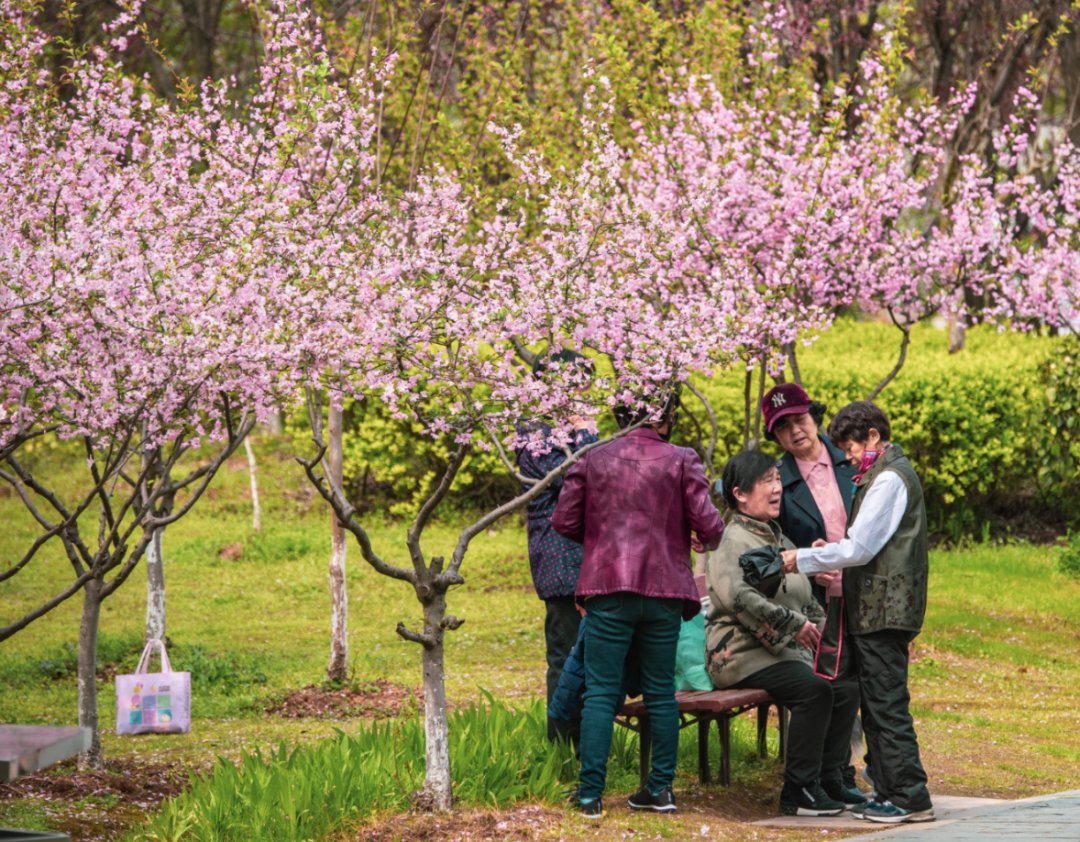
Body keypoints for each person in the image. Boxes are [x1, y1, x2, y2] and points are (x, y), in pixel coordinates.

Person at [551, 390, 724, 820]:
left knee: (602, 692)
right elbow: (711, 526)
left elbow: (564, 520)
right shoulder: (683, 458)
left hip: (609, 588)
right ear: (665, 418)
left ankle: (590, 795)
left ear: (618, 412)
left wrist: (602, 541)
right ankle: (659, 789)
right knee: (661, 691)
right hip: (665, 592)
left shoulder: (592, 457)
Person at [781, 401, 934, 824]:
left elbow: (860, 548)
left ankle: (909, 795)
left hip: (884, 609)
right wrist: (825, 558)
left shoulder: (888, 479)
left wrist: (802, 560)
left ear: (872, 436)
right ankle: (892, 789)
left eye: (850, 447)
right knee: (879, 702)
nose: (846, 457)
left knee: (886, 705)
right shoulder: (883, 473)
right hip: (877, 607)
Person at [705, 450, 863, 817]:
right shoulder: (735, 541)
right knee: (814, 691)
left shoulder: (778, 539)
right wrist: (794, 626)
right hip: (739, 654)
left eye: (777, 480)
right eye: (766, 482)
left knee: (844, 682)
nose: (777, 488)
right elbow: (737, 599)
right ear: (740, 494)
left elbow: (804, 595)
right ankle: (798, 789)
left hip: (779, 651)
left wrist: (822, 630)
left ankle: (829, 777)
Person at [515, 350, 598, 745]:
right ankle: (563, 748)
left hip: (592, 557)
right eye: (575, 382)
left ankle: (590, 746)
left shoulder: (577, 428)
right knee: (565, 655)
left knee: (594, 657)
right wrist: (586, 432)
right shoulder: (534, 431)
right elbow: (575, 475)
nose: (581, 392)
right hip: (561, 560)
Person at [762, 383, 856, 606]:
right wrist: (809, 569)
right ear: (775, 436)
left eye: (800, 419)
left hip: (870, 589)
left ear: (814, 417)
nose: (795, 431)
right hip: (817, 602)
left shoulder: (852, 459)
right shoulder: (776, 485)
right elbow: (775, 551)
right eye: (783, 426)